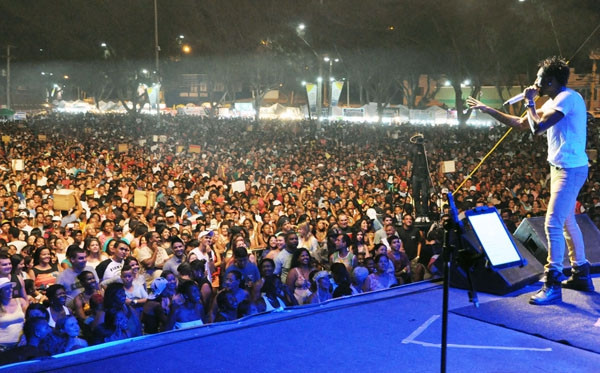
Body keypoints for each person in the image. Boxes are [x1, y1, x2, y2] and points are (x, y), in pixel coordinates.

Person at [467, 56, 593, 305]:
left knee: (552, 224)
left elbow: (538, 128)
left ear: (551, 81)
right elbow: (521, 124)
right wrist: (488, 109)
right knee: (567, 221)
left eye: (538, 78)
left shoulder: (568, 99)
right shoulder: (552, 100)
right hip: (562, 169)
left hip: (569, 170)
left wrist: (528, 102)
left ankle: (552, 282)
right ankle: (580, 273)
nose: (534, 82)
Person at [0, 278, 27, 350]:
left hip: (21, 343)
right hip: (2, 345)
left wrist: (25, 335)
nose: (10, 290)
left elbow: (28, 320)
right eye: (6, 289)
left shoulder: (21, 301)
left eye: (11, 288)